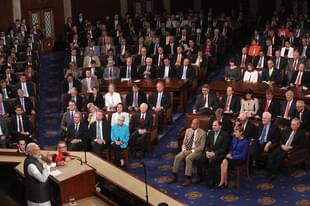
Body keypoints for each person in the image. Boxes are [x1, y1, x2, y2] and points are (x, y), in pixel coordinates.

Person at [168, 119, 206, 187]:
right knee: (177, 157)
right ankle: (174, 176)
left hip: (196, 151)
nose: (192, 125)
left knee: (188, 158)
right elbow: (184, 143)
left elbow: (202, 147)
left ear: (198, 125)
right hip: (186, 149)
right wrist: (184, 149)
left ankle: (188, 178)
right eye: (192, 123)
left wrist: (191, 151)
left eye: (194, 124)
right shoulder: (188, 130)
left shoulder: (203, 133)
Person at [197, 120, 231, 188]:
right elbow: (207, 145)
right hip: (209, 153)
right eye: (213, 125)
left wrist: (214, 153)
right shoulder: (210, 133)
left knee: (211, 161)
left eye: (215, 125)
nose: (213, 127)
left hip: (220, 154)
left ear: (220, 126)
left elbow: (224, 149)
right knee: (199, 158)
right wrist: (207, 152)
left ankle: (211, 181)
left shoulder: (225, 135)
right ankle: (201, 178)